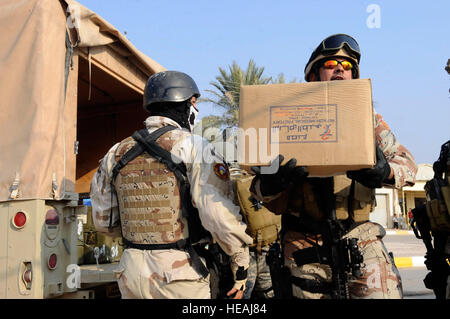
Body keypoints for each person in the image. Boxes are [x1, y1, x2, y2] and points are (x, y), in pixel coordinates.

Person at [250, 34, 418, 299]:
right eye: (330, 64)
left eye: (348, 66)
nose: (341, 68)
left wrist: (384, 172)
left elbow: (409, 167)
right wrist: (270, 183)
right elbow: (256, 190)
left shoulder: (368, 120)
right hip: (302, 243)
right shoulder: (286, 119)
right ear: (314, 76)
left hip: (360, 237)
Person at [90, 70, 253, 299]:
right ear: (183, 104)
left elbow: (104, 223)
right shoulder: (195, 146)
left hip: (131, 272)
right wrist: (240, 260)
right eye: (194, 102)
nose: (195, 109)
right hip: (179, 273)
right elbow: (217, 215)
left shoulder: (115, 153)